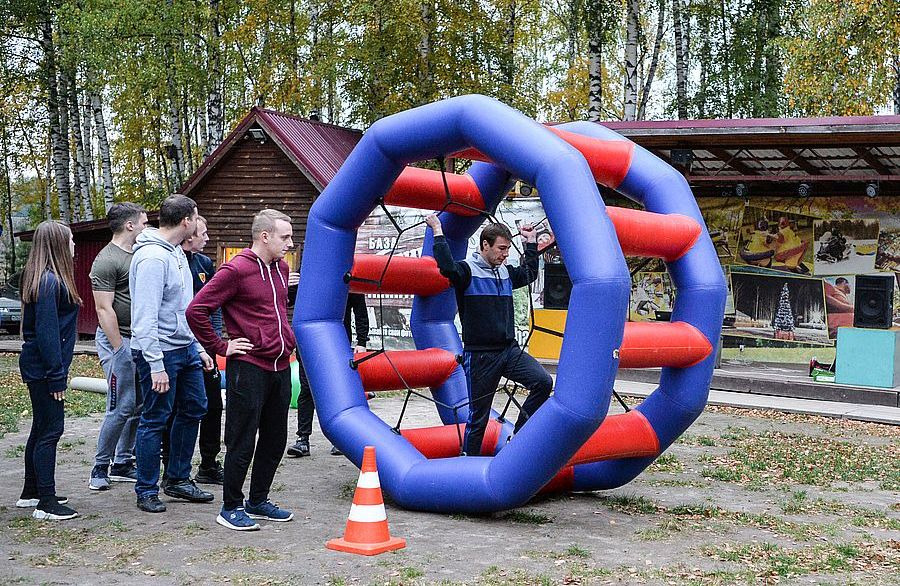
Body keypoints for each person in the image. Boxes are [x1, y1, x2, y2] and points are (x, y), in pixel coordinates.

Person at [187, 209, 297, 531]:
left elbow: (272, 312)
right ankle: (230, 506)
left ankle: (258, 501)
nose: (290, 243)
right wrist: (221, 347)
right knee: (242, 439)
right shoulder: (235, 269)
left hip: (279, 366)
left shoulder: (281, 269)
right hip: (247, 368)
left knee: (275, 439)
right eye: (285, 237)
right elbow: (197, 310)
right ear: (264, 236)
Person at [425, 214, 553, 456]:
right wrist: (438, 230)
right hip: (481, 356)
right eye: (501, 249)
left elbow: (529, 273)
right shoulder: (466, 272)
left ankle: (517, 438)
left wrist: (531, 242)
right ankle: (468, 466)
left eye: (507, 249)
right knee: (478, 418)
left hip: (509, 351)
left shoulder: (504, 272)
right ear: (485, 245)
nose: (505, 254)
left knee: (543, 382)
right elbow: (446, 268)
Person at [130, 194, 215, 513]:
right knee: (155, 418)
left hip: (184, 348)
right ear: (186, 221)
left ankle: (178, 478)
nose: (197, 222)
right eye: (196, 217)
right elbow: (144, 317)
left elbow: (184, 310)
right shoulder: (153, 258)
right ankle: (147, 489)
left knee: (195, 406)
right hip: (159, 353)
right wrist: (155, 365)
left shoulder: (178, 255)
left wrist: (197, 346)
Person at [17, 221, 81, 520]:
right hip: (44, 368)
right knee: (52, 430)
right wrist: (57, 375)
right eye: (70, 240)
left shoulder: (43, 279)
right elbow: (47, 333)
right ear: (57, 245)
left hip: (39, 365)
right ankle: (46, 501)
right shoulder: (49, 282)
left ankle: (32, 491)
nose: (74, 245)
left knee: (41, 427)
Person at [160, 216, 225, 486]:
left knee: (211, 406)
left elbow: (215, 305)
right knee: (173, 410)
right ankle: (171, 467)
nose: (207, 238)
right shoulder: (169, 261)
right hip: (176, 347)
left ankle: (209, 464)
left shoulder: (203, 263)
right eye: (203, 233)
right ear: (188, 234)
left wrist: (214, 341)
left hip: (204, 348)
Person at [88, 203, 149, 491]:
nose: (146, 227)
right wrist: (119, 349)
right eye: (144, 222)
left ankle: (123, 462)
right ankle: (100, 467)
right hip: (118, 340)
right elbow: (103, 309)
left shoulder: (137, 254)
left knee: (137, 404)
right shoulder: (106, 260)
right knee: (120, 406)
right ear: (129, 225)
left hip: (138, 340)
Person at [286, 291, 369, 458]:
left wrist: (361, 341)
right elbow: (288, 300)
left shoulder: (347, 275)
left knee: (336, 390)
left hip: (337, 342)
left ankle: (339, 441)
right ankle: (302, 439)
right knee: (306, 389)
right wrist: (291, 287)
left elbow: (360, 310)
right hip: (307, 342)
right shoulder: (306, 272)